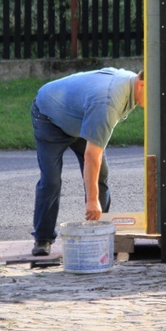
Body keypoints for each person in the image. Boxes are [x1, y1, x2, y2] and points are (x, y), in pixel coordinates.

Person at [30, 68, 146, 256]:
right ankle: (43, 238)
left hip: (81, 119)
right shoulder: (109, 101)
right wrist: (92, 202)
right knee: (50, 180)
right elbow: (92, 156)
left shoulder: (131, 85)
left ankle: (97, 232)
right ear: (141, 85)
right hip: (49, 116)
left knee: (101, 175)